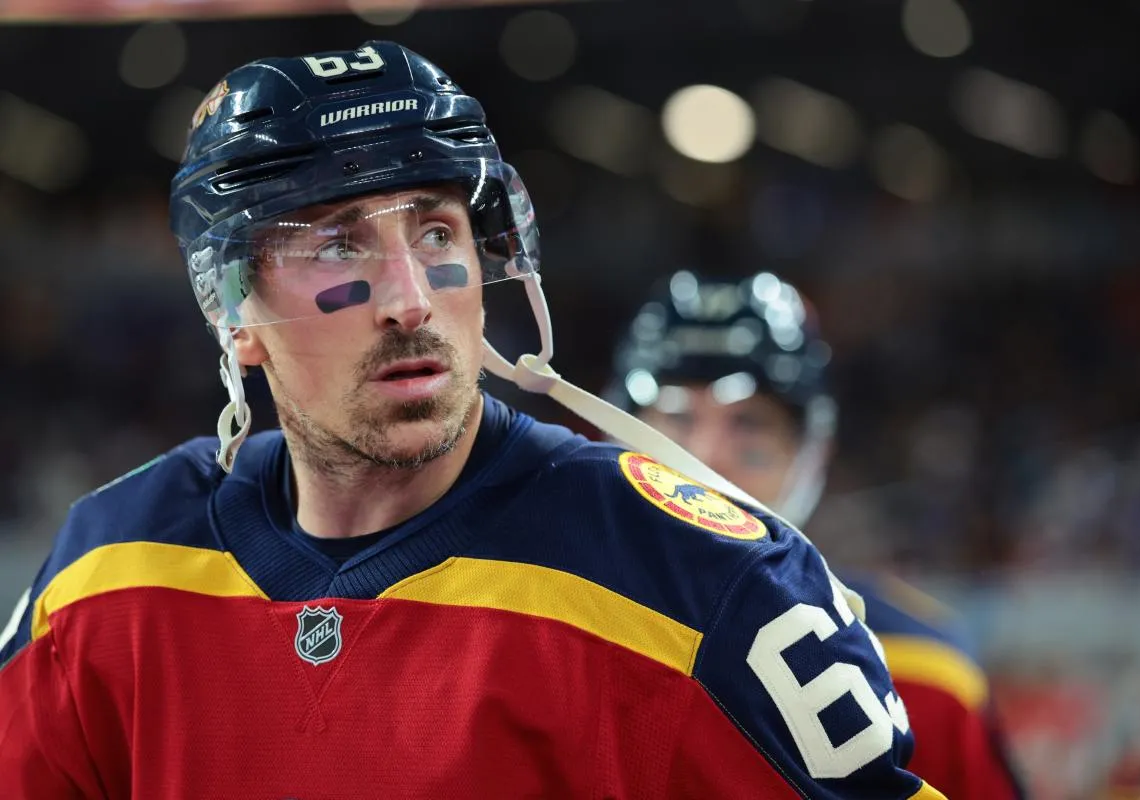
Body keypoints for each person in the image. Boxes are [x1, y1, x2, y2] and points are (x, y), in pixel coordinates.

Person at [0, 41, 944, 799]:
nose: (409, 298)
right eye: (338, 246)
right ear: (234, 311)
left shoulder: (702, 578)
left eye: (436, 232)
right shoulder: (106, 568)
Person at [609, 269, 1025, 799]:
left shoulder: (928, 675)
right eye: (676, 417)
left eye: (750, 422)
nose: (707, 455)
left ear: (813, 451)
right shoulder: (544, 628)